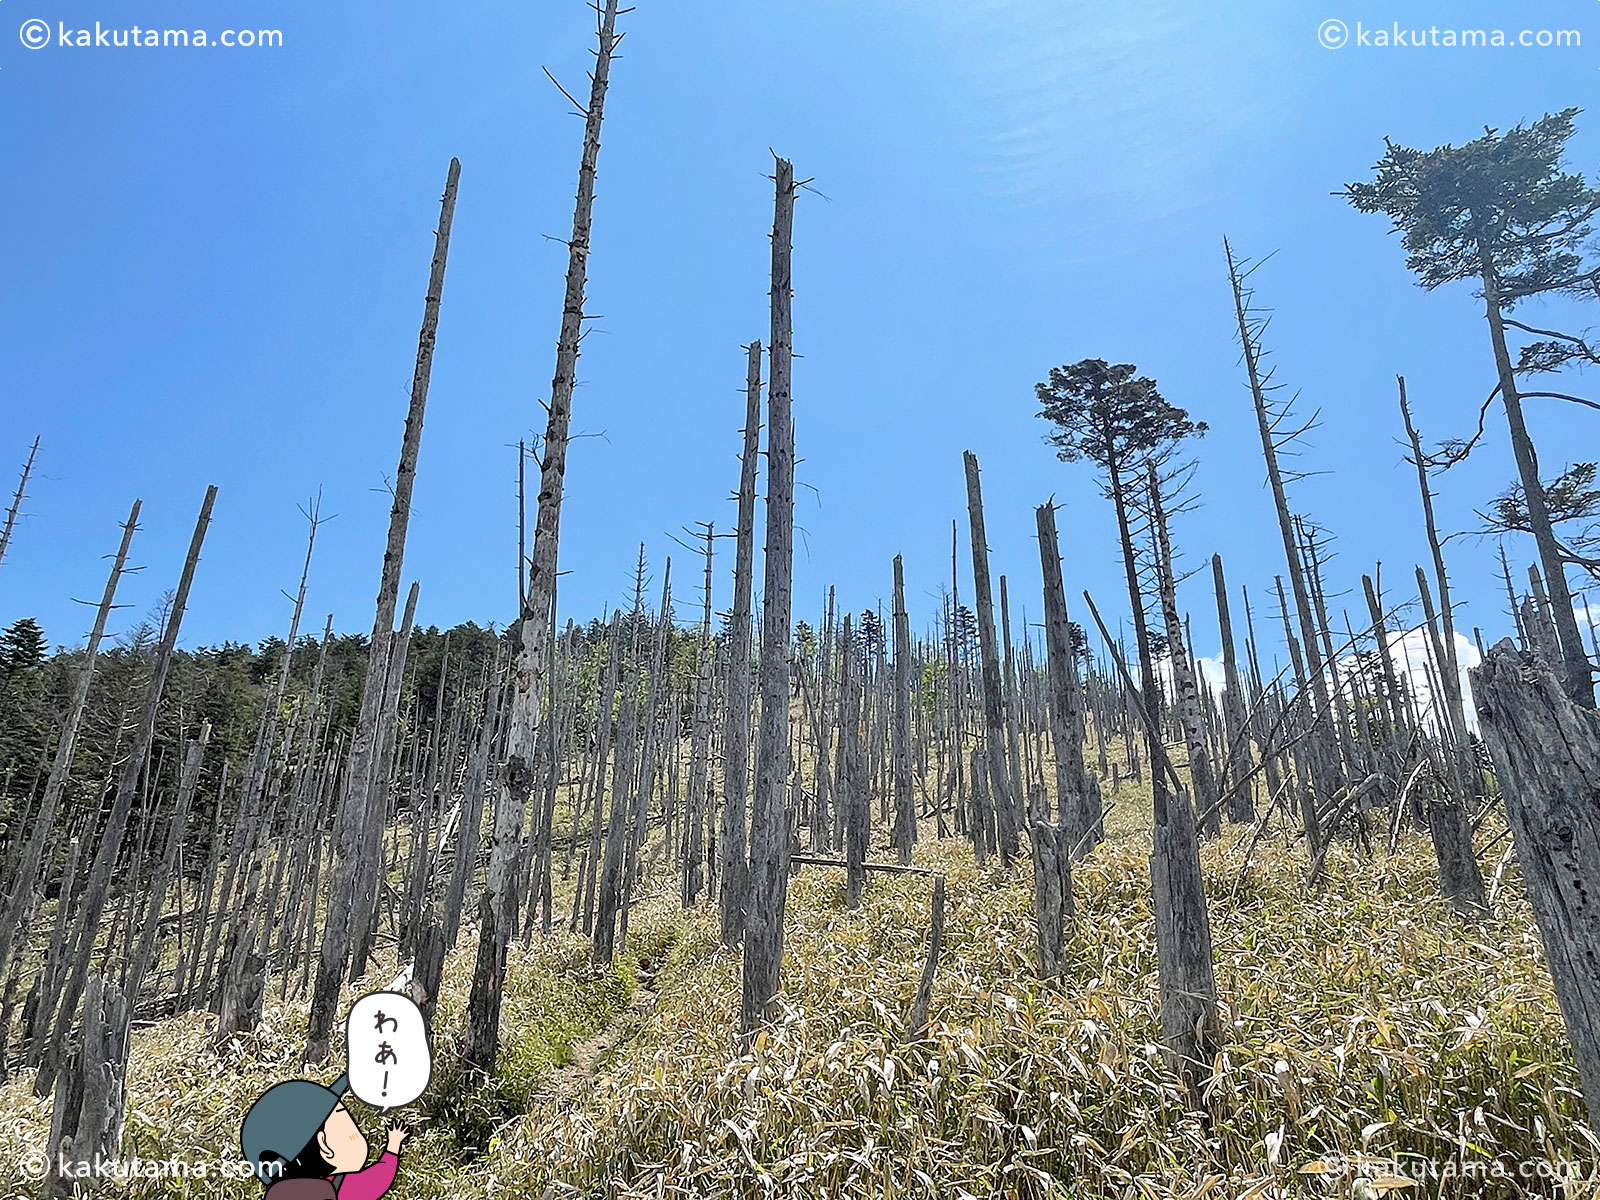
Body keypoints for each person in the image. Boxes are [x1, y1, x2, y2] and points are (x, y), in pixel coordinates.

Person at [240, 1073, 410, 1199]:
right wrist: (393, 1147)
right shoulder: (341, 1188)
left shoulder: (277, 1195)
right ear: (324, 1145)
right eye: (349, 1125)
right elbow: (377, 1180)